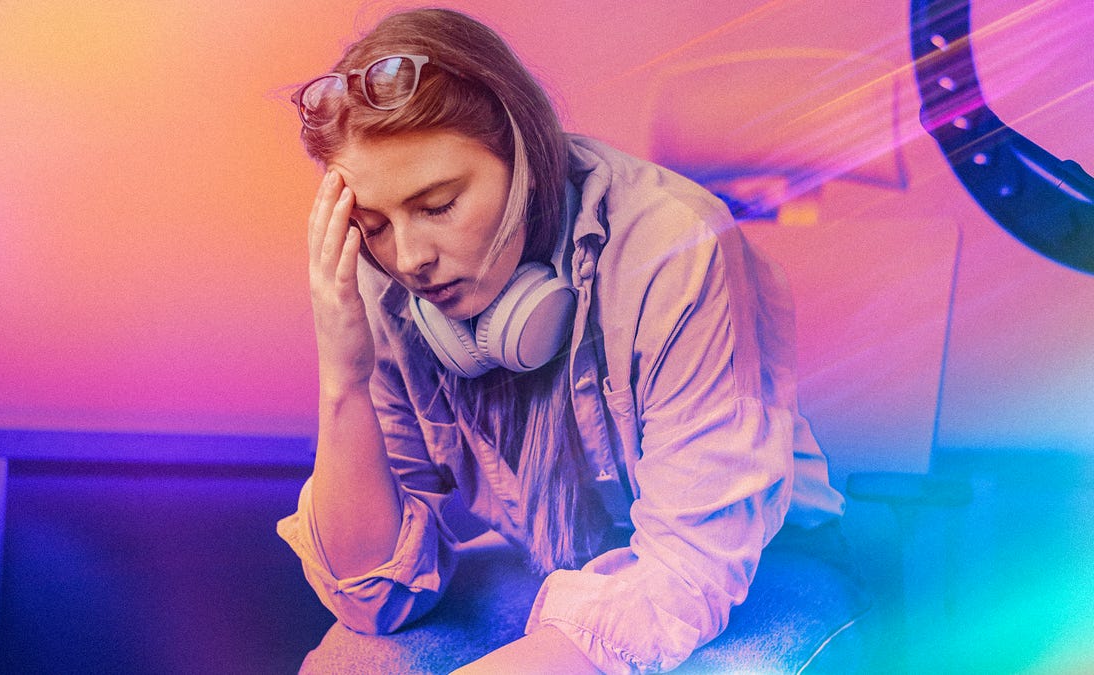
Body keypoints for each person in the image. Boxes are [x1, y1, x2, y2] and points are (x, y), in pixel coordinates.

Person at [277, 7, 854, 674]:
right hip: (557, 566)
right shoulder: (388, 280)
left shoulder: (677, 246)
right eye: (374, 222)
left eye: (438, 206)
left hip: (760, 566)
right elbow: (373, 599)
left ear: (524, 154)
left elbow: (686, 572)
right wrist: (342, 377)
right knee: (352, 661)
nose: (409, 257)